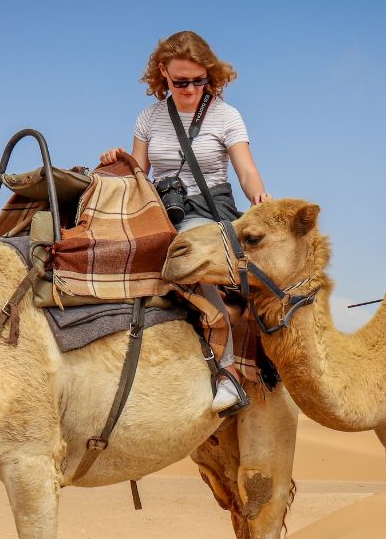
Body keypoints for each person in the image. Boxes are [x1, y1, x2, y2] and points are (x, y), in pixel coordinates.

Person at [100, 30, 271, 412]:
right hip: (162, 208)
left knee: (187, 255)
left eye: (199, 80)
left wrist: (258, 196)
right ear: (163, 74)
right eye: (181, 82)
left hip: (209, 213)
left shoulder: (227, 116)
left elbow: (246, 170)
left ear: (210, 76)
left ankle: (226, 371)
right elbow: (138, 174)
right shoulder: (149, 117)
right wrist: (119, 159)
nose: (191, 89)